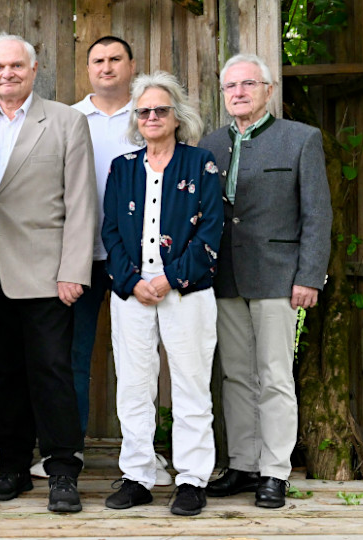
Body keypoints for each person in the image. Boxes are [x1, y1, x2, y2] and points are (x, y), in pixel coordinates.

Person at [30, 35, 172, 487]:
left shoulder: (150, 114)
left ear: (132, 65)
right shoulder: (70, 118)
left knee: (147, 357)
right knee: (73, 355)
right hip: (84, 255)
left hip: (144, 260)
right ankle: (67, 449)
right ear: (88, 68)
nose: (106, 67)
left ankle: (150, 454)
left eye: (115, 59)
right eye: (98, 60)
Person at [0, 33, 96, 514]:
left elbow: (82, 202)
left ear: (34, 67)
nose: (7, 74)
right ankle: (13, 468)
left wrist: (73, 270)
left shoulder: (66, 121)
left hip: (47, 273)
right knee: (3, 375)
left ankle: (63, 471)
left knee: (51, 371)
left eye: (16, 66)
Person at [199, 54, 331, 509]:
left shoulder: (301, 139)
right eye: (230, 86)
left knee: (274, 375)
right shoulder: (210, 144)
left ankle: (275, 471)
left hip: (279, 276)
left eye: (248, 84)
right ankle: (242, 463)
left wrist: (310, 276)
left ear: (268, 90)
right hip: (225, 277)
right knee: (235, 374)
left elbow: (317, 214)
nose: (238, 93)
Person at [101, 71, 223, 516]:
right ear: (136, 118)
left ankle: (191, 479)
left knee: (191, 385)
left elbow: (210, 232)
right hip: (132, 292)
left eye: (161, 110)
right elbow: (110, 231)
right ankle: (138, 474)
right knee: (133, 386)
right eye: (144, 111)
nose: (152, 117)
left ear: (176, 116)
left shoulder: (201, 164)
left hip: (185, 291)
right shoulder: (123, 167)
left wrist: (169, 279)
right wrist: (132, 281)